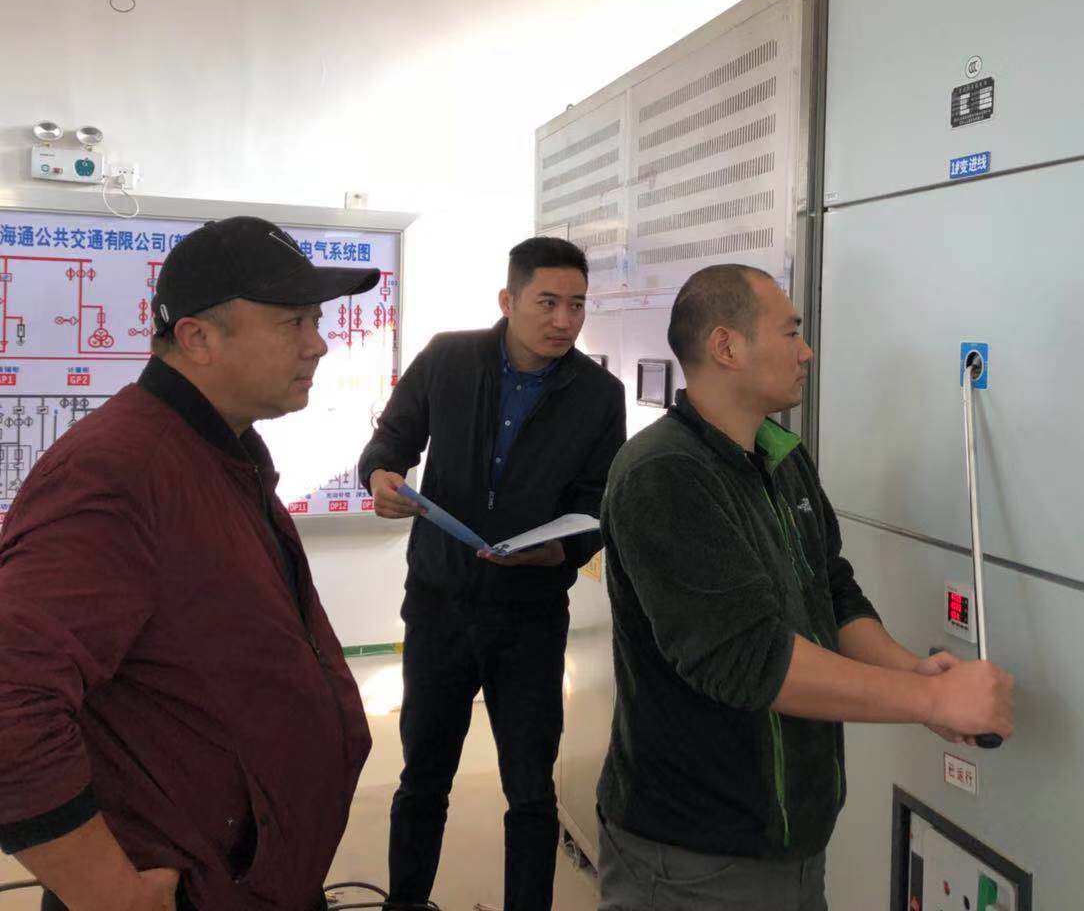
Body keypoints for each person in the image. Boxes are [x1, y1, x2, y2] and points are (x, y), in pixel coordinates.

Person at [596, 264, 1015, 911]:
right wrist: (930, 701)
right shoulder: (665, 475)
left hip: (790, 837)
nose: (808, 351)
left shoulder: (779, 455)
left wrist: (914, 673)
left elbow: (832, 593)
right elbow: (749, 659)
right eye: (791, 332)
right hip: (694, 854)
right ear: (727, 346)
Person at [0, 216, 377, 911]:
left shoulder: (219, 449)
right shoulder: (119, 470)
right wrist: (108, 893)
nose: (318, 343)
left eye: (316, 320)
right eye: (293, 322)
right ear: (199, 338)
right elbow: (11, 698)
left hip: (248, 876)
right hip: (188, 885)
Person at [360, 236, 625, 911]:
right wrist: (381, 475)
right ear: (508, 300)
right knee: (423, 777)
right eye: (547, 302)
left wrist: (562, 551)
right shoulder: (449, 358)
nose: (564, 320)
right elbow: (392, 437)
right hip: (440, 603)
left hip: (530, 615)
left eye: (577, 305)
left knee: (531, 790)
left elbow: (598, 501)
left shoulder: (599, 394)